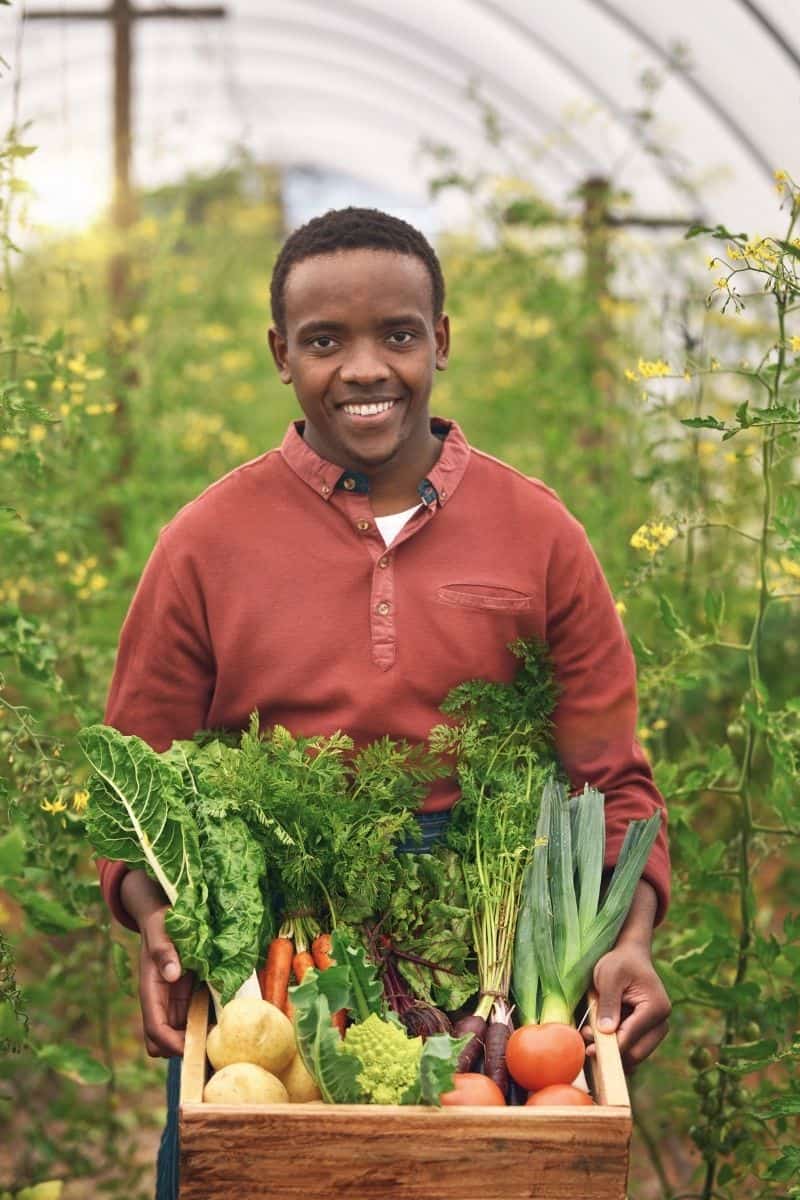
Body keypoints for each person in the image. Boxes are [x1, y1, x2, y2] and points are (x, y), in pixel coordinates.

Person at [97, 206, 671, 1197]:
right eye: (325, 341)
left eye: (397, 336)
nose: (364, 369)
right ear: (281, 354)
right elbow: (132, 787)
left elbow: (611, 780)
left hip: (493, 908)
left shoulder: (536, 533)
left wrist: (626, 941)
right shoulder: (205, 542)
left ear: (439, 341)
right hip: (279, 941)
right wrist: (156, 915)